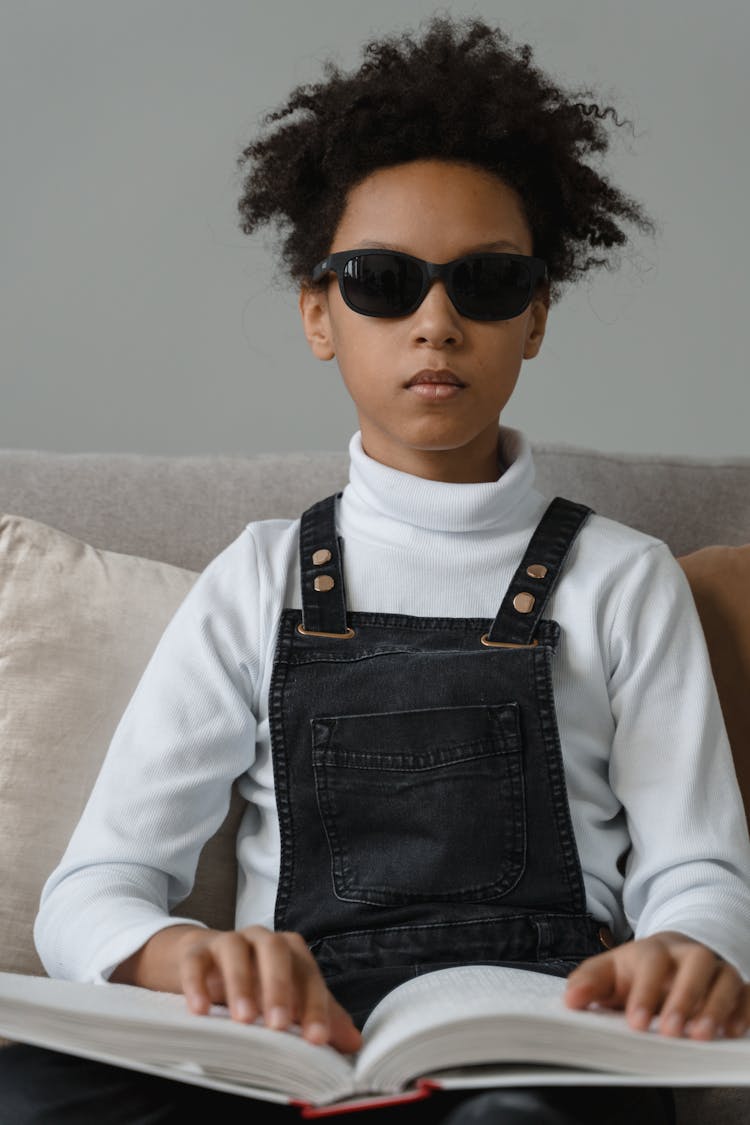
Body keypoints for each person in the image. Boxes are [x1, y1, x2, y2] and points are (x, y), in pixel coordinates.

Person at [2, 13, 749, 1125]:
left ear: (536, 315)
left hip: (538, 1042)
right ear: (319, 312)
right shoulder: (258, 577)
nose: (436, 322)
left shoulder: (623, 577)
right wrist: (179, 961)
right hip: (293, 1049)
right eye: (383, 281)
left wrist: (689, 949)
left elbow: (699, 871)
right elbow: (94, 889)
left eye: (487, 283)